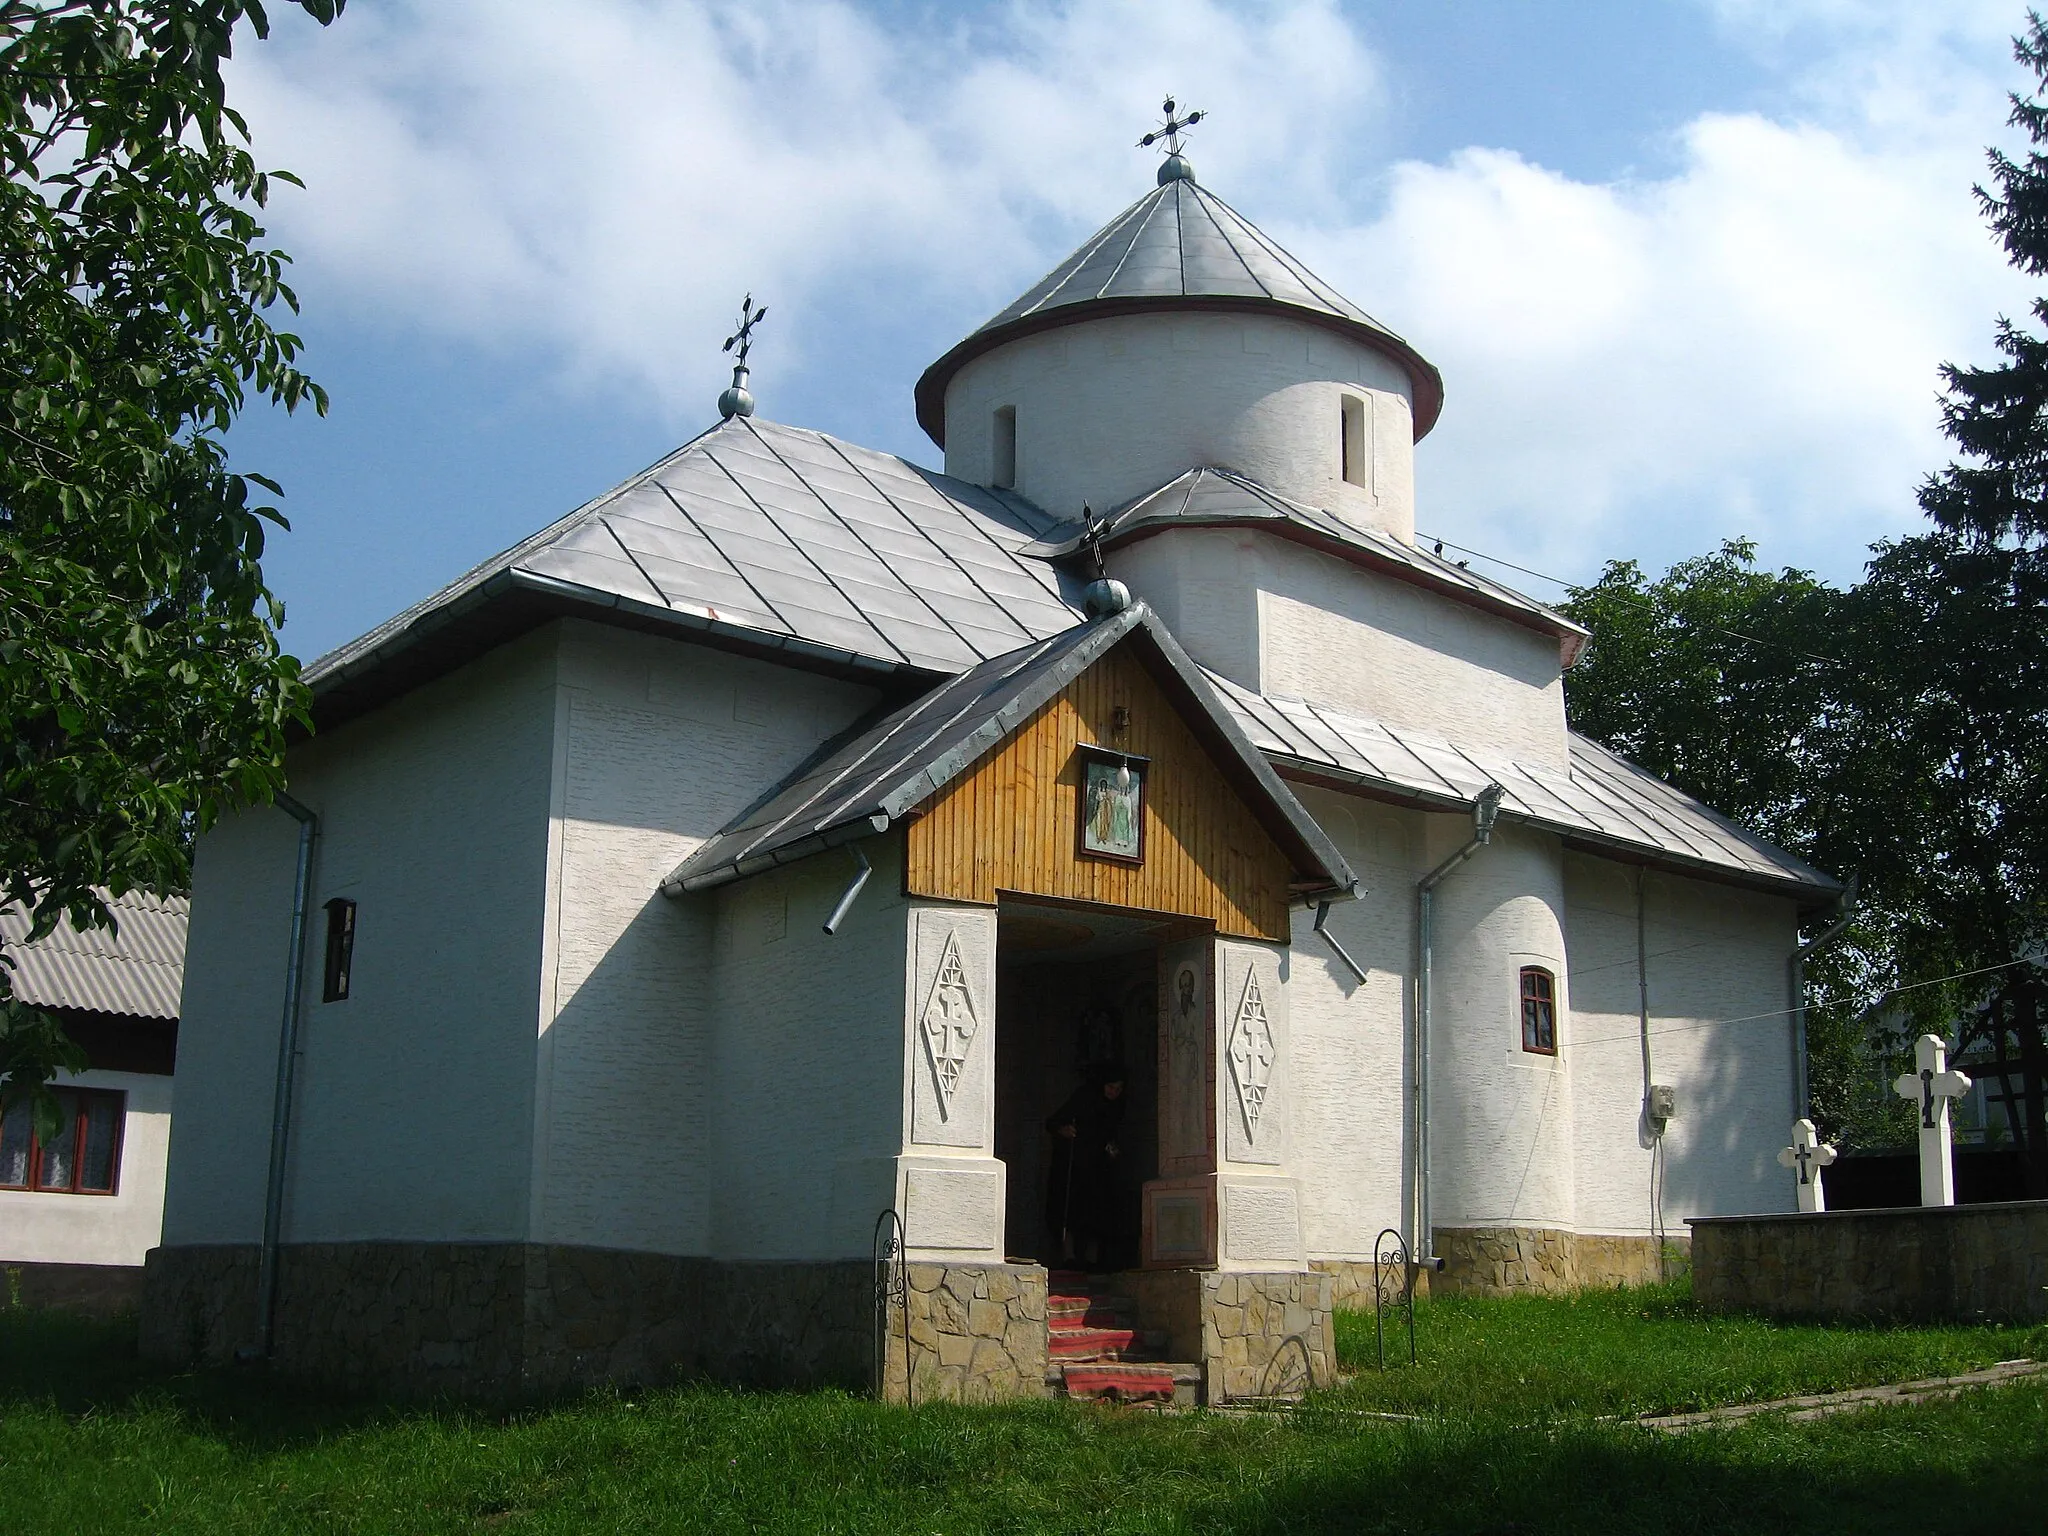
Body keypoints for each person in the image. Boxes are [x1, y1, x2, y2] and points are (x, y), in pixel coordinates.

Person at [1045, 1062, 1127, 1266]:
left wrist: (1114, 1147)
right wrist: (1064, 1130)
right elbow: (1054, 1122)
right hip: (1076, 1165)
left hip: (1101, 1167)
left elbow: (1117, 1133)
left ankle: (1094, 1259)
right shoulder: (1084, 1098)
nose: (1113, 1093)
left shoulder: (1118, 1106)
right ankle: (1069, 1255)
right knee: (1073, 1211)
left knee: (1098, 1213)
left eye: (1118, 1089)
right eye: (1110, 1087)